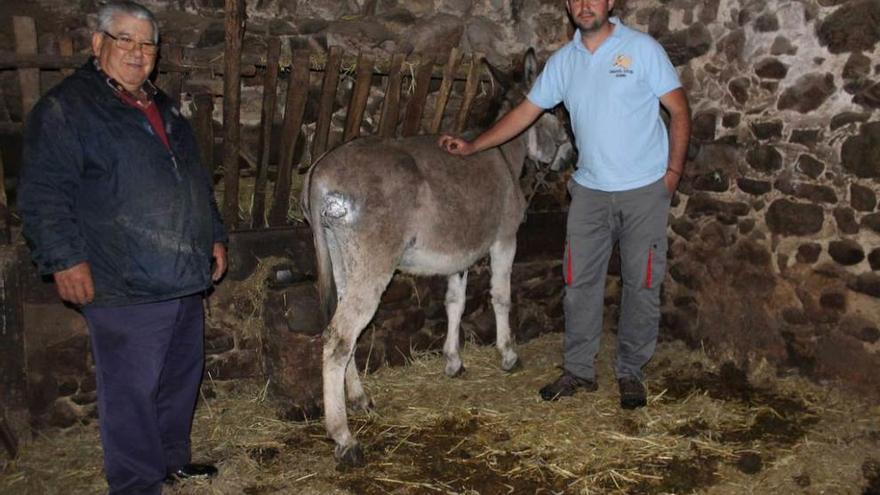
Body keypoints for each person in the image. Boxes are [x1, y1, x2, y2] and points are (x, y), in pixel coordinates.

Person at [439, 0, 690, 409]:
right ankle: (579, 370)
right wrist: (473, 146)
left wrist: (673, 174)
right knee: (578, 285)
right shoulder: (564, 63)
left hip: (644, 189)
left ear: (610, 2)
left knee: (641, 283)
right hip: (590, 191)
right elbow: (524, 113)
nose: (584, 5)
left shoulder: (642, 50)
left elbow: (678, 109)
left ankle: (630, 371)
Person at [18, 1, 227, 492]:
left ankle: (172, 461)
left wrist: (213, 234)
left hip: (180, 271)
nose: (137, 53)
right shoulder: (67, 109)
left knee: (180, 377)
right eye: (125, 40)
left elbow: (195, 180)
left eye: (147, 43)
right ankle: (136, 483)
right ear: (98, 44)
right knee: (132, 390)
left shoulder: (165, 106)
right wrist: (64, 259)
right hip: (122, 277)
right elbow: (43, 193)